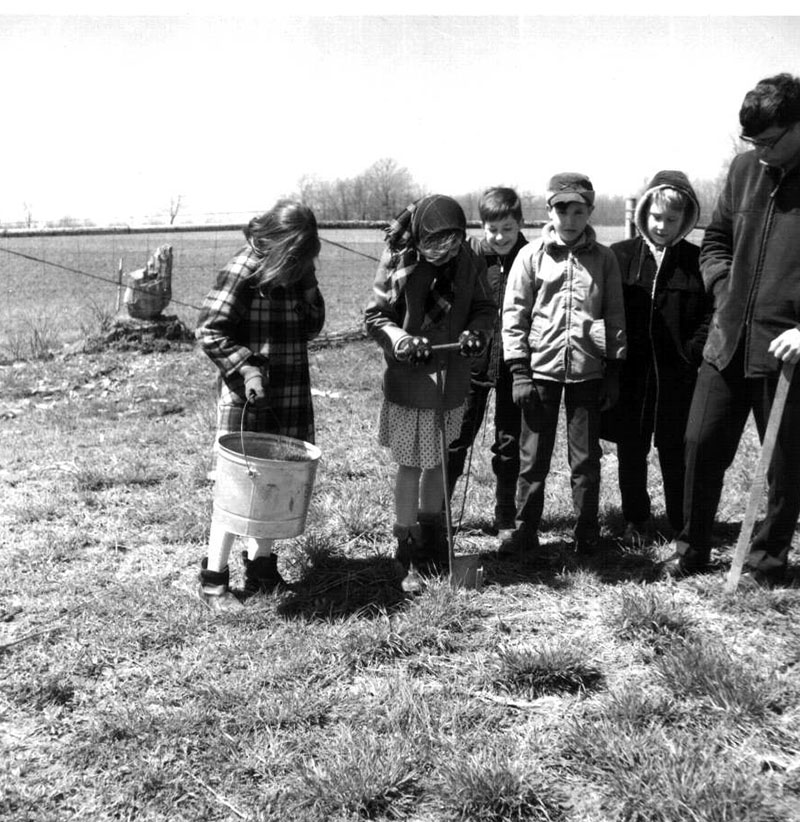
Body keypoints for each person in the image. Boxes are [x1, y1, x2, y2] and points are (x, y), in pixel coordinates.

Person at [665, 73, 800, 586]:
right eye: (753, 143)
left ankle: (767, 562)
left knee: (785, 468)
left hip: (787, 356)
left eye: (769, 142)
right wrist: (724, 292)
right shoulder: (744, 169)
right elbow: (716, 241)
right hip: (726, 344)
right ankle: (691, 547)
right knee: (699, 444)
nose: (760, 154)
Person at [195, 200, 325, 606]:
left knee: (276, 481)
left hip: (288, 395)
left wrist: (308, 284)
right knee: (238, 490)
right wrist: (247, 368)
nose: (297, 265)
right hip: (247, 398)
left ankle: (262, 569)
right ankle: (214, 578)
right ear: (274, 242)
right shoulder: (243, 270)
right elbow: (210, 330)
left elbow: (312, 326)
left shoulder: (296, 271)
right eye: (295, 258)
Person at [364, 194, 496, 587]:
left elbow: (484, 307)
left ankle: (431, 542)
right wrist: (401, 338)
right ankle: (404, 547)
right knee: (410, 464)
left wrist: (478, 333)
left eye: (453, 243)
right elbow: (375, 316)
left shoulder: (469, 260)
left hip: (451, 380)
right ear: (419, 237)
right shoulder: (398, 261)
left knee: (439, 462)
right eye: (436, 244)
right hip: (410, 382)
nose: (445, 251)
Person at [500, 173, 626, 556]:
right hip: (539, 374)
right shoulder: (531, 255)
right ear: (549, 210)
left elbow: (614, 316)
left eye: (578, 211)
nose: (569, 219)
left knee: (585, 461)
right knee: (532, 458)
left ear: (590, 211)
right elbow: (514, 315)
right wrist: (519, 372)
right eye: (561, 210)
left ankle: (587, 533)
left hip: (587, 374)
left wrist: (613, 370)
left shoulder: (603, 259)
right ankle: (524, 532)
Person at [601, 171, 712, 546]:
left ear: (686, 220)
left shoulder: (696, 262)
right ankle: (635, 518)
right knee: (631, 450)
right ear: (644, 213)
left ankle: (681, 521)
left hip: (677, 376)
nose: (662, 226)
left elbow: (714, 313)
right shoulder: (620, 257)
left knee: (675, 449)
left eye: (671, 219)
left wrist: (691, 352)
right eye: (656, 217)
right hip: (632, 375)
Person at [446, 187, 529, 532]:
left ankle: (505, 514)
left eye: (508, 229)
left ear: (520, 223)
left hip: (515, 367)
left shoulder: (530, 256)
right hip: (471, 364)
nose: (499, 237)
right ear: (482, 226)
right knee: (457, 437)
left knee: (510, 443)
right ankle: (439, 513)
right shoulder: (467, 257)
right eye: (492, 229)